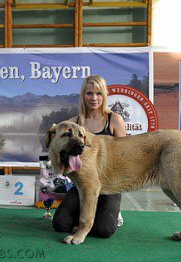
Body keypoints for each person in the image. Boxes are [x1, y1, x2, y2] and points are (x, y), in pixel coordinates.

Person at [52, 75, 126, 238]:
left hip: (109, 186)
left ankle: (111, 213)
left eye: (99, 93)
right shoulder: (73, 123)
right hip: (82, 184)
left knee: (103, 230)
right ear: (83, 95)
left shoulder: (114, 120)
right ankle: (87, 211)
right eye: (89, 93)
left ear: (104, 95)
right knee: (60, 224)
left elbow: (123, 157)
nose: (94, 98)